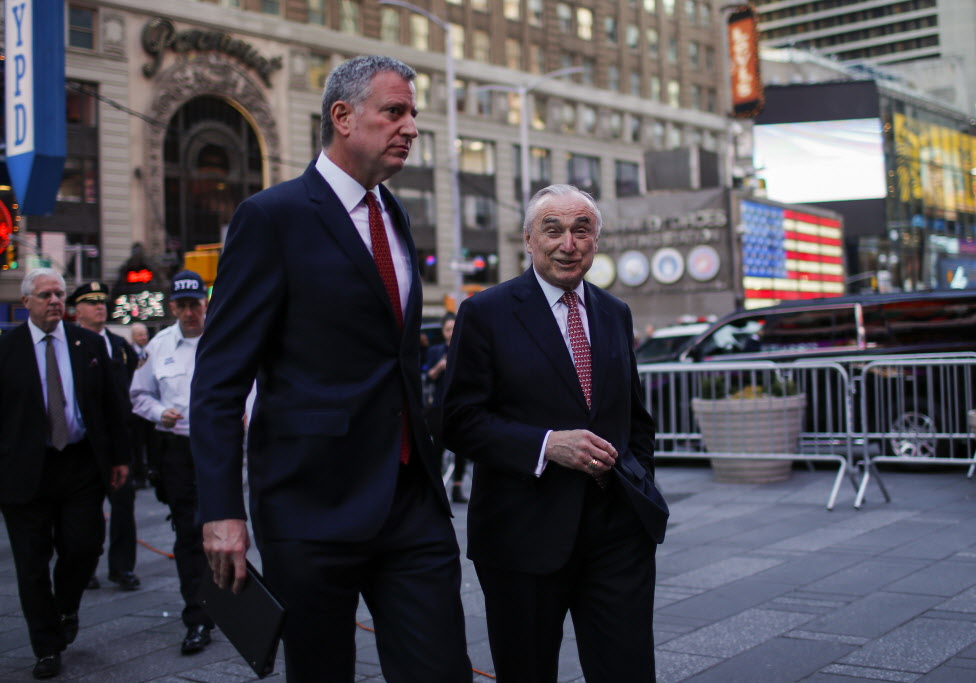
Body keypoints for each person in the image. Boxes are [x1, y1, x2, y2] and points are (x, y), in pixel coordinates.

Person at [190, 55, 471, 683]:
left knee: (441, 667)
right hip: (310, 504)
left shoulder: (393, 214)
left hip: (409, 501)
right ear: (342, 117)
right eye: (394, 111)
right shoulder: (272, 218)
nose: (411, 127)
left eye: (413, 114)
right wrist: (221, 511)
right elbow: (218, 380)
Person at [443, 184, 670, 683]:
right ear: (528, 239)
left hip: (616, 535)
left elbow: (635, 419)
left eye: (581, 229)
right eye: (553, 229)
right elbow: (457, 418)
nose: (568, 242)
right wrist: (547, 445)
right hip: (524, 538)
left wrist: (640, 488)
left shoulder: (614, 313)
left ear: (595, 241)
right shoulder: (486, 313)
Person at [0, 268, 129, 680]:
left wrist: (121, 458)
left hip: (79, 465)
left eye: (59, 293)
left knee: (84, 546)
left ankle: (67, 605)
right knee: (31, 565)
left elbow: (113, 405)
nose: (55, 300)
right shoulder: (7, 349)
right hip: (25, 470)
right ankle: (46, 645)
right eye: (45, 295)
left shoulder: (88, 344)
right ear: (27, 304)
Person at [129, 270, 214, 655]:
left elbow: (253, 386)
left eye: (194, 304)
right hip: (178, 451)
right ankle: (197, 618)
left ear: (205, 303)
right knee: (187, 533)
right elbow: (138, 395)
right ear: (173, 307)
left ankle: (231, 604)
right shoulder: (160, 345)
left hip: (220, 448)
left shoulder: (224, 338)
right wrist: (159, 411)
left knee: (224, 528)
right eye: (182, 305)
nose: (189, 313)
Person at [69, 282, 142, 592]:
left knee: (124, 506)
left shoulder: (120, 346)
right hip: (87, 443)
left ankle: (122, 567)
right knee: (86, 512)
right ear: (77, 310)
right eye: (91, 303)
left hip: (121, 439)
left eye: (102, 302)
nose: (100, 307)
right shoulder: (69, 345)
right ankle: (86, 567)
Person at [424, 313, 466, 502]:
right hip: (439, 405)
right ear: (443, 332)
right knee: (438, 446)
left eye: (453, 328)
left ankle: (457, 487)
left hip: (461, 404)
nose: (450, 333)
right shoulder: (435, 351)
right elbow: (427, 376)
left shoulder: (465, 349)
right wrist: (440, 366)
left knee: (461, 447)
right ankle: (436, 486)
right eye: (447, 329)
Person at [127, 323, 153, 488]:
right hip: (135, 407)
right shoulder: (128, 352)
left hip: (151, 407)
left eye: (145, 334)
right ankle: (139, 473)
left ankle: (150, 470)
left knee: (150, 441)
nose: (144, 337)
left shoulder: (153, 349)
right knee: (137, 443)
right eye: (140, 335)